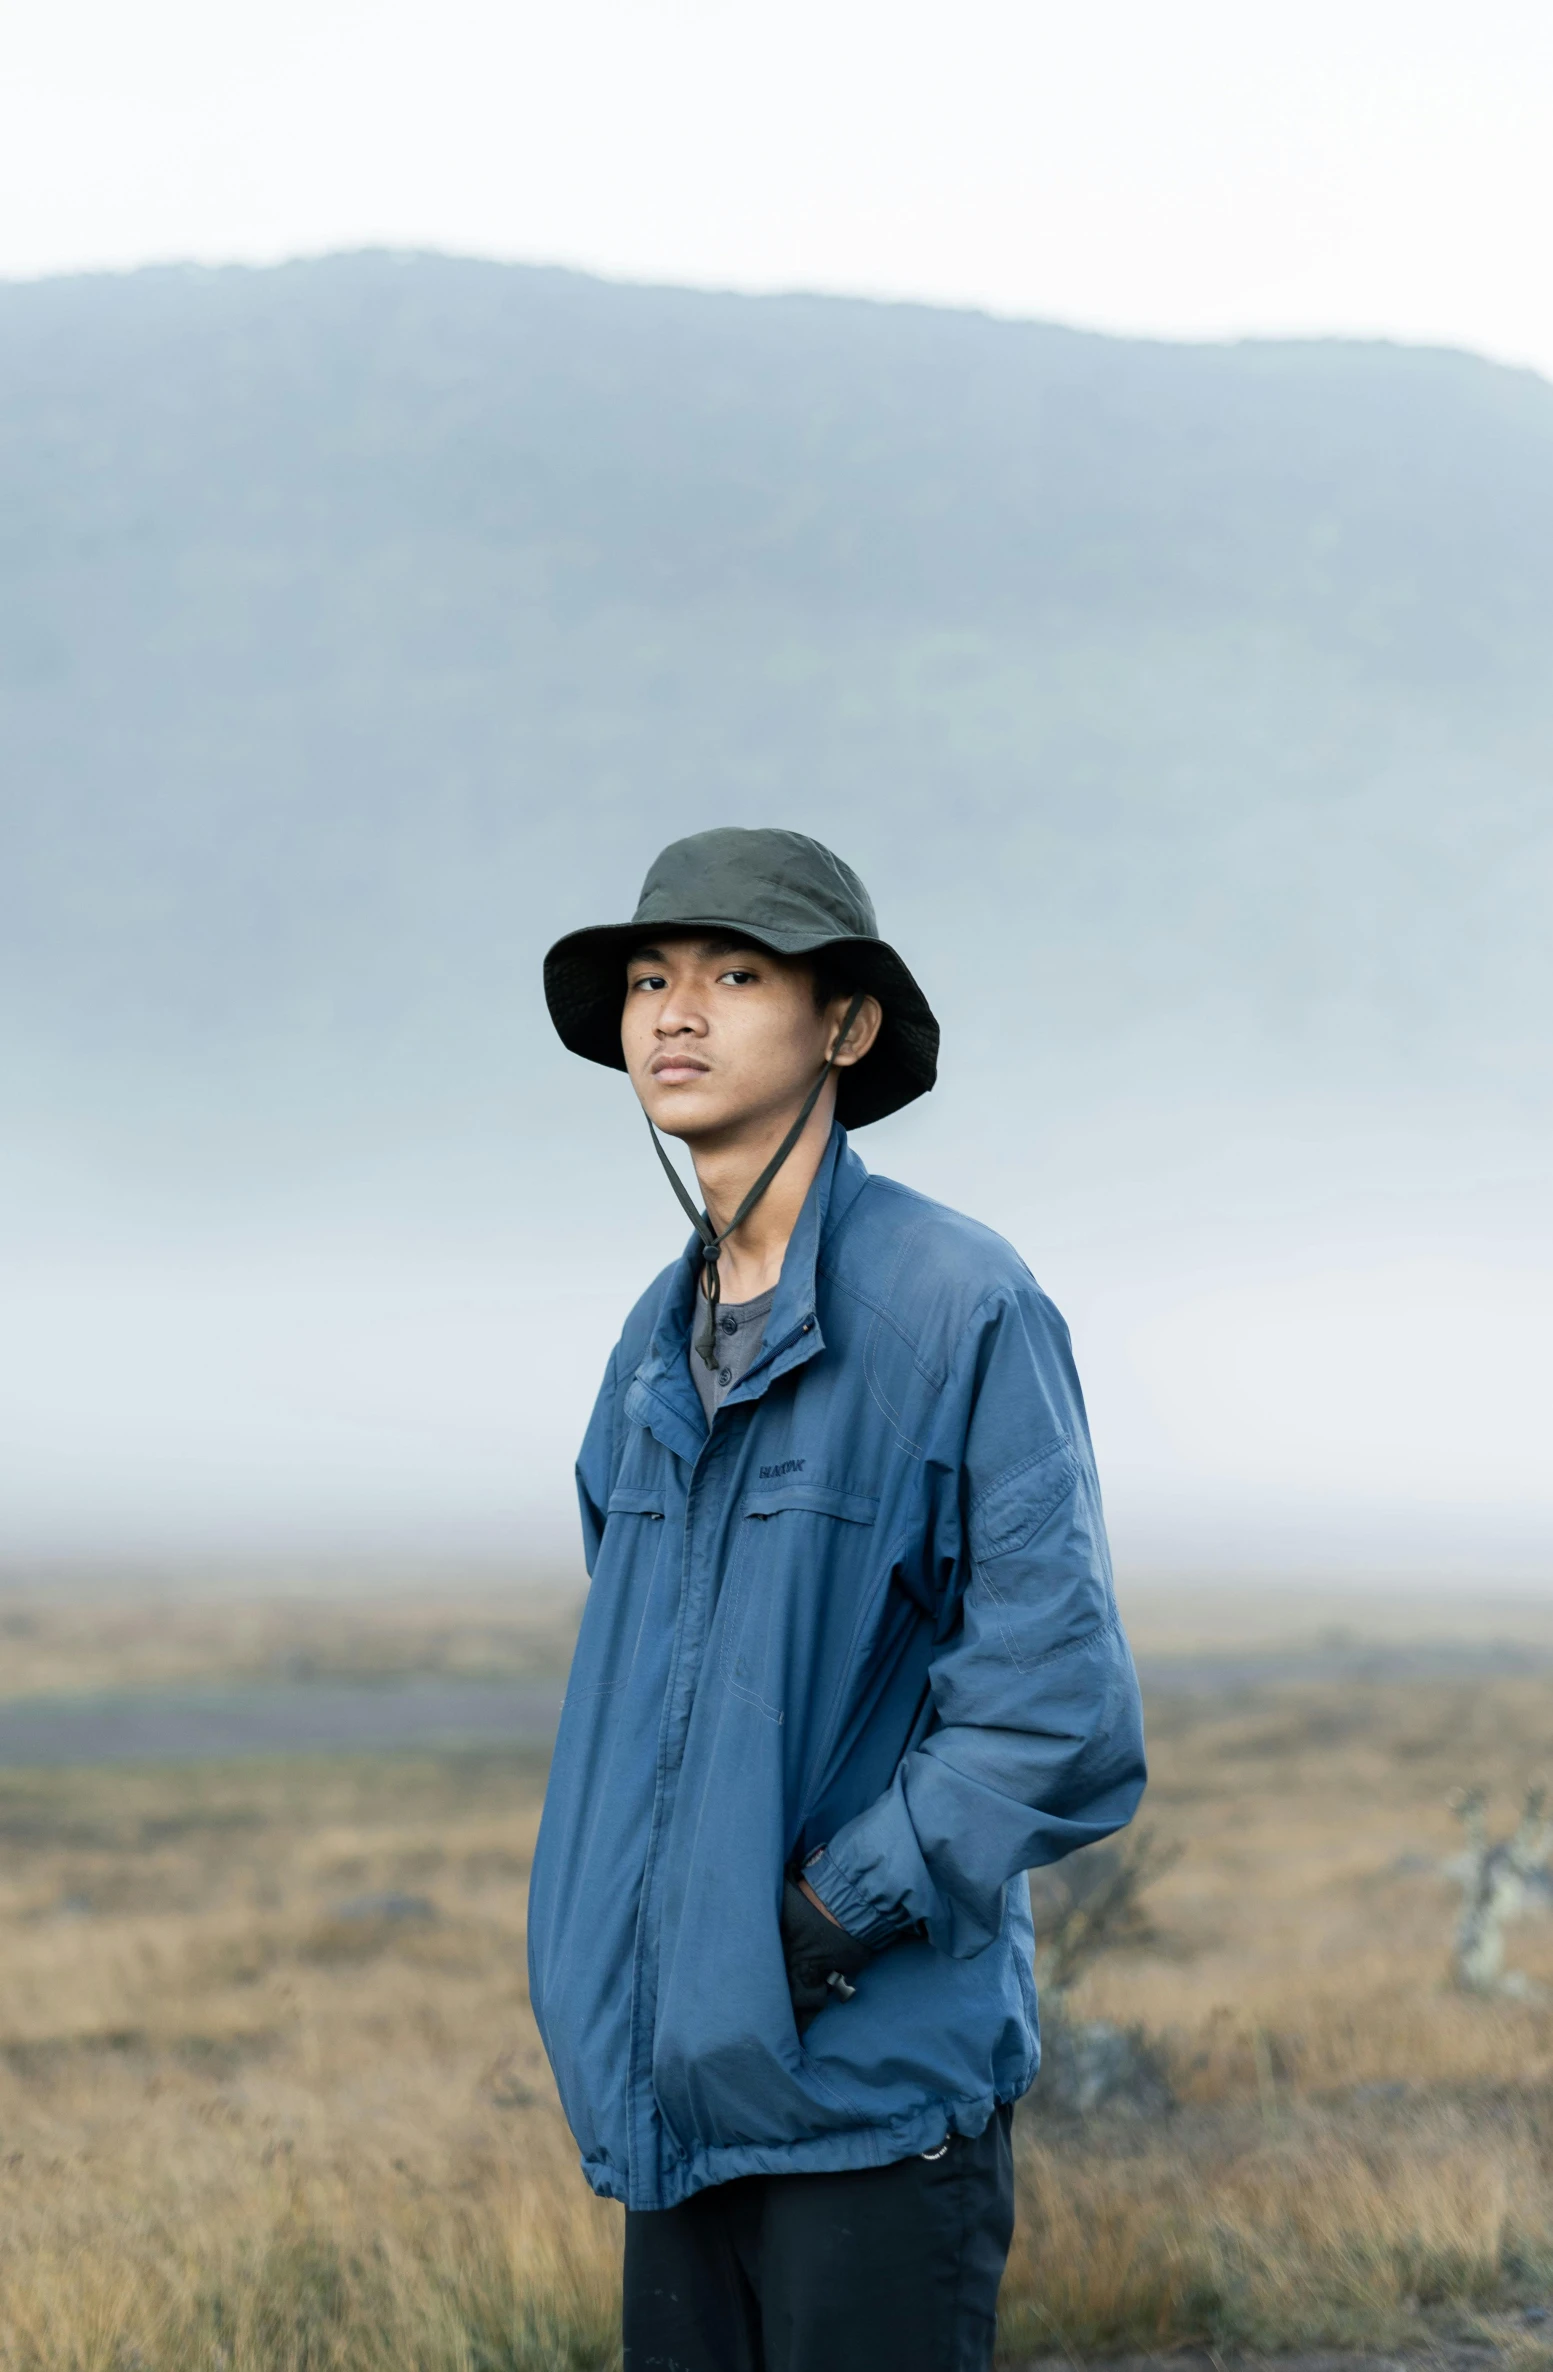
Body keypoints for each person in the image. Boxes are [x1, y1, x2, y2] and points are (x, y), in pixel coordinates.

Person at [530, 826, 1147, 2372]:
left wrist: (816, 1923)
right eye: (649, 980)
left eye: (737, 974)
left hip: (862, 2097)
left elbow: (1055, 1714)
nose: (675, 1012)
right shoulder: (649, 1341)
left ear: (846, 1026)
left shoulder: (960, 1303)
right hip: (672, 2095)